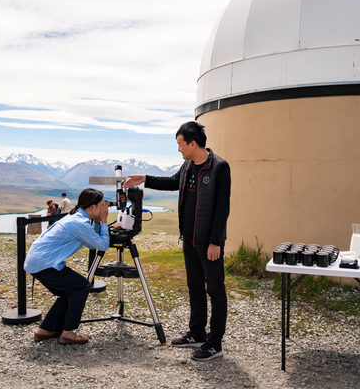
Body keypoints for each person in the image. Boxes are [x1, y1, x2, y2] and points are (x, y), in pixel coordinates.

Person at [124, 121, 231, 361]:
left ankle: (215, 343)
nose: (179, 149)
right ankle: (197, 333)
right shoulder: (188, 166)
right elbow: (173, 182)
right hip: (190, 240)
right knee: (194, 286)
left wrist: (216, 242)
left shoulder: (219, 168)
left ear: (193, 143)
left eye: (181, 144)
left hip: (209, 242)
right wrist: (144, 178)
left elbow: (222, 209)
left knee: (215, 290)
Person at [24, 188, 109, 345]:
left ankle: (45, 330)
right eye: (101, 205)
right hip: (45, 263)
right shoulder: (79, 223)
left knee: (69, 291)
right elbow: (102, 245)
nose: (104, 208)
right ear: (92, 207)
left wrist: (97, 222)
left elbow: (92, 240)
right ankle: (68, 333)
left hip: (37, 261)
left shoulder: (76, 218)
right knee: (82, 286)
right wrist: (104, 221)